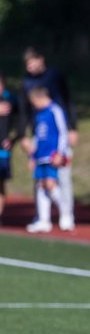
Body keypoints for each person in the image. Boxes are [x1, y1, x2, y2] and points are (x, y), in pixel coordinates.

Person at [17, 48, 77, 230]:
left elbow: (68, 101)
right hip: (40, 140)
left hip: (57, 141)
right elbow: (23, 111)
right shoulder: (25, 83)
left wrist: (73, 127)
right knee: (40, 182)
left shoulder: (55, 78)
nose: (31, 67)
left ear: (40, 59)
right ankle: (43, 218)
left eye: (33, 62)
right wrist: (22, 135)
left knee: (61, 179)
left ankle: (67, 215)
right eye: (27, 65)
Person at [23, 84, 68, 234]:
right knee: (41, 186)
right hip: (40, 155)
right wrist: (32, 156)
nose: (33, 105)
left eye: (34, 101)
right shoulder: (38, 114)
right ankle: (43, 220)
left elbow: (63, 132)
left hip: (52, 155)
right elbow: (37, 137)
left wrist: (60, 153)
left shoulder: (55, 110)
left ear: (41, 98)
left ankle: (66, 214)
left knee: (50, 184)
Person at [0, 75, 14, 224]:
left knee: (1, 184)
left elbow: (25, 117)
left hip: (3, 153)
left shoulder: (10, 100)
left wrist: (14, 139)